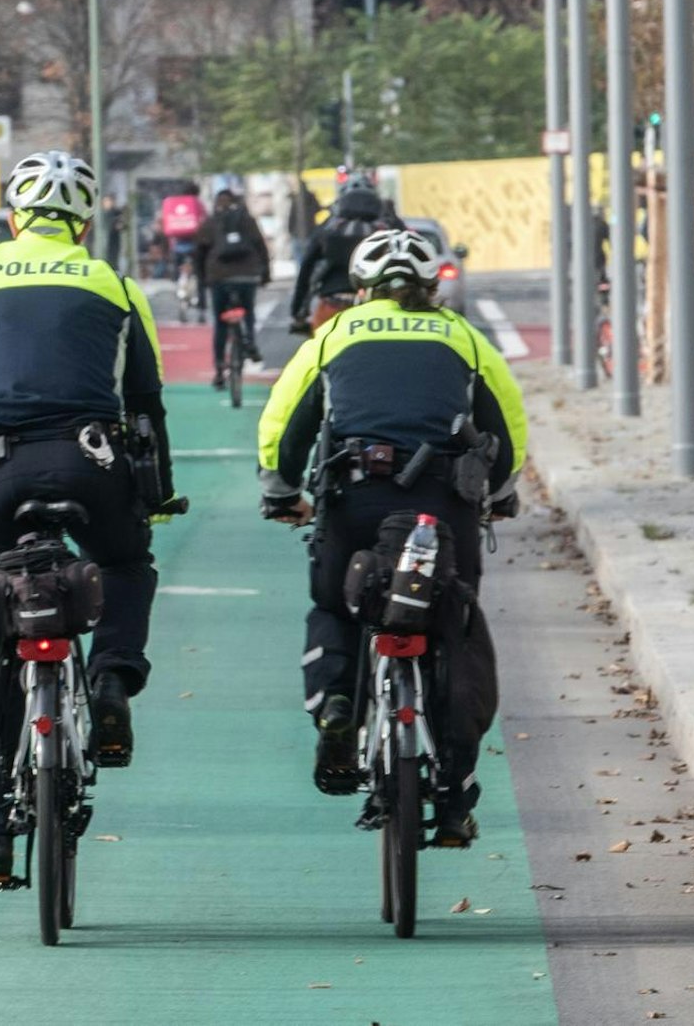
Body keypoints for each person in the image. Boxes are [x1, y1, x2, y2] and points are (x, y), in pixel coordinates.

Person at [0, 149, 175, 883]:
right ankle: (109, 681)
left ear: (13, 217)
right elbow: (146, 404)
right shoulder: (113, 283)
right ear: (84, 221)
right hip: (87, 461)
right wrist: (154, 494)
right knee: (127, 563)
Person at [256, 229, 527, 847]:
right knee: (451, 617)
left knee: (335, 602)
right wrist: (504, 490)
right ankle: (454, 793)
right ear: (431, 286)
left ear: (361, 289)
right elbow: (506, 422)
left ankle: (335, 707)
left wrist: (280, 492)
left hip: (354, 497)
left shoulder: (333, 336)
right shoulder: (463, 338)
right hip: (443, 504)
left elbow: (283, 422)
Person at [288, 174, 400, 332]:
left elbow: (306, 267)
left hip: (333, 304)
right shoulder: (389, 226)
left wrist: (297, 311)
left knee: (322, 352)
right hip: (378, 309)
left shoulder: (329, 227)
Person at [194, 186, 271, 388]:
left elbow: (199, 254)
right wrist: (264, 274)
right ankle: (250, 342)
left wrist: (202, 280)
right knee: (248, 312)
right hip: (247, 275)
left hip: (219, 277)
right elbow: (261, 246)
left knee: (220, 323)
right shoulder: (247, 220)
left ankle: (220, 369)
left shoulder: (210, 223)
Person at [160, 179, 206, 305]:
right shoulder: (198, 204)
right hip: (195, 246)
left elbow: (165, 224)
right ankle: (202, 303)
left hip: (177, 246)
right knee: (199, 274)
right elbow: (205, 222)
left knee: (178, 269)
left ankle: (178, 285)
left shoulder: (173, 203)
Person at [287, 181, 323, 263]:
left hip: (298, 233)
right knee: (308, 258)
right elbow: (318, 209)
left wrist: (290, 230)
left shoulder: (297, 198)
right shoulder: (310, 197)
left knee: (300, 258)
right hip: (309, 231)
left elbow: (291, 217)